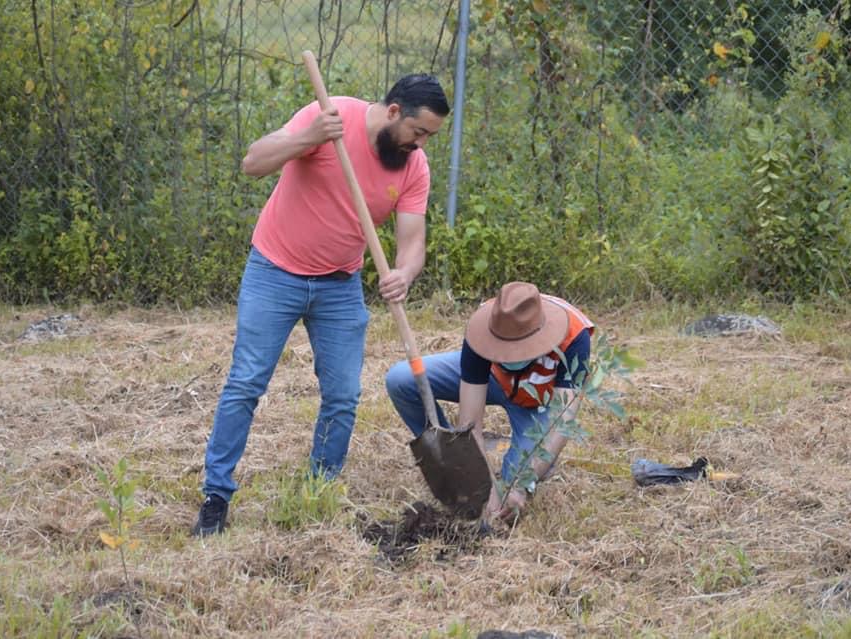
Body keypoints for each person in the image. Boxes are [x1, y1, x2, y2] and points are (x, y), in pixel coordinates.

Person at [192, 75, 450, 536]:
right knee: (247, 382)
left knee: (343, 395)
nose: (421, 143)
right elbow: (253, 162)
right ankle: (216, 496)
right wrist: (310, 138)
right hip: (275, 272)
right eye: (419, 132)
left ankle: (319, 487)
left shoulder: (413, 165)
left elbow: (413, 241)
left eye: (429, 136)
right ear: (394, 112)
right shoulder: (331, 117)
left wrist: (403, 273)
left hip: (339, 285)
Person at [386, 281, 594, 523]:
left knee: (509, 493)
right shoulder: (483, 326)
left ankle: (536, 464)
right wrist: (481, 488)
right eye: (503, 348)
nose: (509, 355)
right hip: (494, 381)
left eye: (516, 350)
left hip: (537, 404)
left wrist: (522, 484)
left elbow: (562, 420)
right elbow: (470, 421)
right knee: (401, 379)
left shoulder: (574, 335)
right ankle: (447, 454)